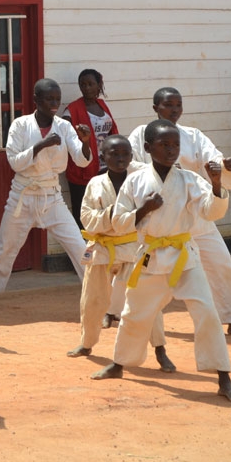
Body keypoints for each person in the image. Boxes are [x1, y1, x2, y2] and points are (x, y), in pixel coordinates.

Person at [91, 119, 231, 403]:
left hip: (184, 255)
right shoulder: (135, 181)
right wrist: (145, 209)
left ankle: (223, 376)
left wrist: (216, 184)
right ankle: (119, 364)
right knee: (134, 313)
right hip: (149, 256)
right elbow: (119, 222)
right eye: (164, 145)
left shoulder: (188, 179)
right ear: (148, 148)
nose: (172, 150)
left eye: (176, 144)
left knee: (207, 312)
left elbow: (211, 213)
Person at [129, 87, 231, 337]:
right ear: (155, 108)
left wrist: (225, 166)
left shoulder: (193, 135)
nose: (174, 110)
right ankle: (128, 317)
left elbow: (213, 159)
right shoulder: (142, 134)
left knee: (220, 261)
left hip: (195, 209)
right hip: (160, 216)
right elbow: (132, 166)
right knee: (144, 272)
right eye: (168, 105)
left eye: (178, 105)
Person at [0, 78, 92, 307]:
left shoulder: (64, 127)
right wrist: (41, 145)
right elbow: (14, 162)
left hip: (51, 196)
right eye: (49, 99)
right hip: (22, 195)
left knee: (80, 247)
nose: (54, 104)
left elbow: (82, 161)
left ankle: (98, 297)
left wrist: (85, 142)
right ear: (36, 100)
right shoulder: (20, 125)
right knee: (5, 249)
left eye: (57, 99)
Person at [66, 136, 174, 372]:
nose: (120, 158)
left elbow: (154, 214)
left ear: (132, 156)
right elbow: (87, 218)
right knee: (92, 300)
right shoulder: (95, 184)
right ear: (103, 157)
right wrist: (118, 215)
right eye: (114, 154)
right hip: (102, 248)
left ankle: (160, 349)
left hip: (134, 247)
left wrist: (132, 217)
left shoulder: (141, 182)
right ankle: (86, 344)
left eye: (125, 153)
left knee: (147, 300)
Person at [62, 69, 118, 229]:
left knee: (104, 209)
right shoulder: (72, 110)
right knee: (83, 212)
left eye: (90, 84)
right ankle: (82, 250)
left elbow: (111, 131)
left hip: (105, 168)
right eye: (83, 85)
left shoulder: (102, 105)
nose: (86, 88)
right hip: (83, 170)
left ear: (98, 85)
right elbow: (64, 134)